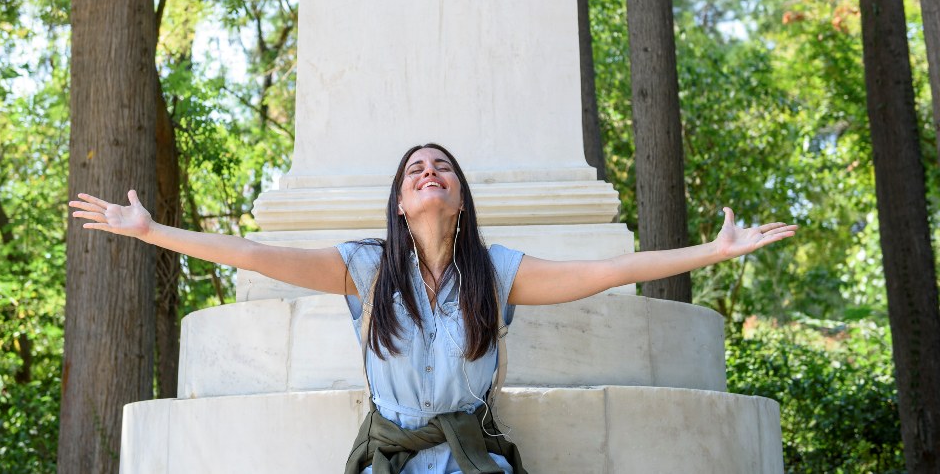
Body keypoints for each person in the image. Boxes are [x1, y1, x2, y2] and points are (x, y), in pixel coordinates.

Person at [69, 142, 798, 474]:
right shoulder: (365, 268)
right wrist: (154, 231)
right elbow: (255, 256)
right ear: (400, 200)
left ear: (458, 197)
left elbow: (606, 268)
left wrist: (713, 251)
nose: (429, 173)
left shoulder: (497, 273)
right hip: (391, 461)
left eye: (441, 167)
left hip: (472, 462)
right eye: (416, 169)